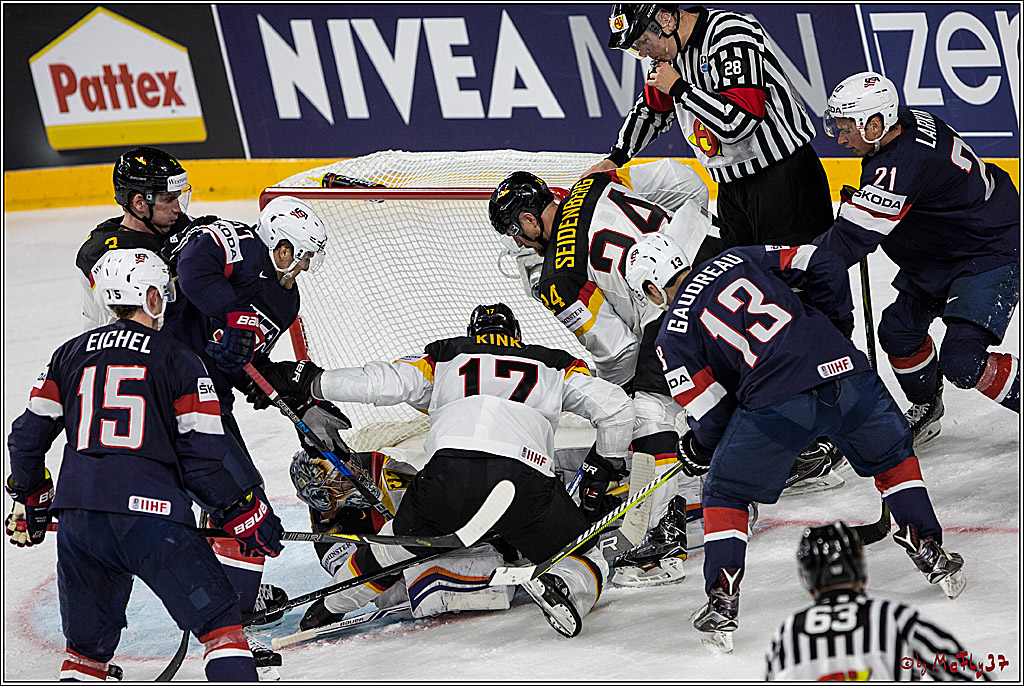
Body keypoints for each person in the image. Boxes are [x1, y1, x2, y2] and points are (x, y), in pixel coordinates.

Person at [624, 234, 964, 653]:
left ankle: (722, 600)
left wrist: (699, 449)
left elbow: (712, 416)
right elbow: (824, 263)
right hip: (848, 375)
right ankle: (928, 547)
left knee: (725, 492)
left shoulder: (671, 335)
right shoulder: (737, 257)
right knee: (892, 457)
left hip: (777, 404)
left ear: (653, 289)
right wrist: (835, 326)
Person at [252, 303, 636, 638]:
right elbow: (618, 409)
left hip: (446, 478)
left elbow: (382, 383)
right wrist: (605, 464)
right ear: (516, 337)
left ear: (474, 335)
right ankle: (563, 586)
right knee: (583, 552)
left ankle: (331, 604)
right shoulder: (553, 364)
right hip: (522, 481)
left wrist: (313, 381)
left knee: (396, 544)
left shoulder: (446, 358)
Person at [5, 249, 284, 682]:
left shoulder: (69, 354)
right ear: (152, 297)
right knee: (222, 627)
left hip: (80, 522)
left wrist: (33, 495)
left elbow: (26, 440)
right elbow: (204, 458)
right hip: (152, 522)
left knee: (84, 654)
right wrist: (242, 510)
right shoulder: (180, 359)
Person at [490, 162, 711, 586]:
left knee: (649, 411)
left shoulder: (557, 278)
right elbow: (690, 185)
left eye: (515, 231)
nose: (517, 242)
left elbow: (620, 352)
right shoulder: (593, 182)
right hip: (714, 260)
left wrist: (611, 396)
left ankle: (662, 543)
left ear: (529, 219)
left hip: (671, 310)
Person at [163, 195, 336, 668]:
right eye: (299, 256)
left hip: (207, 399)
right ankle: (230, 627)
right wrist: (232, 316)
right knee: (242, 505)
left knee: (242, 505)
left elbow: (242, 353)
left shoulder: (285, 298)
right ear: (279, 244)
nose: (300, 269)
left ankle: (229, 617)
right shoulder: (233, 239)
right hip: (166, 388)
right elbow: (195, 265)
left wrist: (250, 376)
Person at [815, 71, 1020, 445]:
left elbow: (850, 240)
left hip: (987, 250)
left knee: (962, 360)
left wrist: (788, 267)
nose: (840, 138)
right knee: (898, 332)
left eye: (847, 128)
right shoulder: (907, 121)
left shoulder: (899, 164)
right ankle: (928, 407)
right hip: (945, 249)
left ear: (876, 124)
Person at [595, 3, 834, 247]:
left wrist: (680, 88)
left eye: (644, 41)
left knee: (800, 277)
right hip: (731, 189)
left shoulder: (729, 34)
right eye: (638, 47)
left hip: (783, 182)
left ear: (666, 19)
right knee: (744, 279)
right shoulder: (670, 55)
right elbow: (651, 110)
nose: (644, 52)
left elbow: (739, 122)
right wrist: (616, 158)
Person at [766, 522, 991, 681]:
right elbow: (974, 676)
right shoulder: (894, 619)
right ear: (860, 571)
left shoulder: (787, 635)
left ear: (808, 580)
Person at [75, 147, 193, 328]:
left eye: (178, 197)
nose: (177, 208)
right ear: (139, 202)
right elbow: (129, 325)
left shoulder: (181, 225)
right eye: (168, 199)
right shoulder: (105, 252)